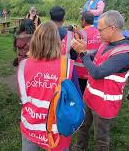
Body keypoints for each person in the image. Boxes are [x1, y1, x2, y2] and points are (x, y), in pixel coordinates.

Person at [72, 10, 129, 151]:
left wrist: (82, 53)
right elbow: (93, 57)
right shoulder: (106, 42)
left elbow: (97, 73)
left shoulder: (124, 53)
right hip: (89, 96)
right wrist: (83, 50)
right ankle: (78, 148)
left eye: (100, 30)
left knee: (101, 137)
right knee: (82, 126)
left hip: (104, 103)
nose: (98, 33)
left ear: (112, 28)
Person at [17, 21, 81, 151]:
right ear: (57, 41)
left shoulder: (23, 65)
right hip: (57, 129)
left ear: (35, 40)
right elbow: (76, 98)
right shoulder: (67, 65)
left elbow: (23, 93)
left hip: (31, 124)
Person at [74, 12, 101, 95]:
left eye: (81, 20)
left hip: (80, 71)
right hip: (93, 69)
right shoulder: (100, 33)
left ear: (84, 21)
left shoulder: (79, 33)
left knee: (79, 93)